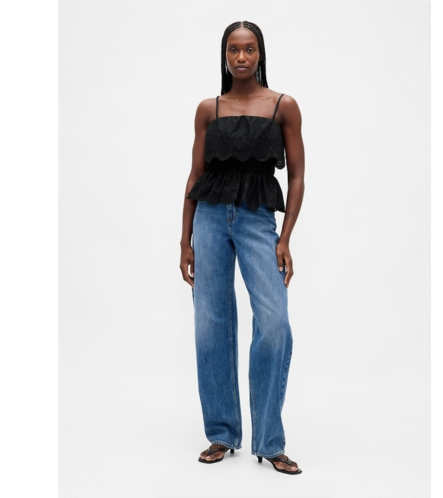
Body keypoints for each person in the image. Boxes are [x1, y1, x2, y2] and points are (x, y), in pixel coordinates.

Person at [180, 21, 305, 476]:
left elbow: (297, 176)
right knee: (210, 325)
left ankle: (269, 440)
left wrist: (285, 237)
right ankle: (222, 432)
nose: (241, 58)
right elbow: (195, 177)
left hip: (257, 219)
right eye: (234, 50)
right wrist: (185, 240)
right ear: (225, 55)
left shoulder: (283, 106)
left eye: (249, 49)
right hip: (210, 219)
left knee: (274, 322)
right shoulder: (209, 110)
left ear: (260, 54)